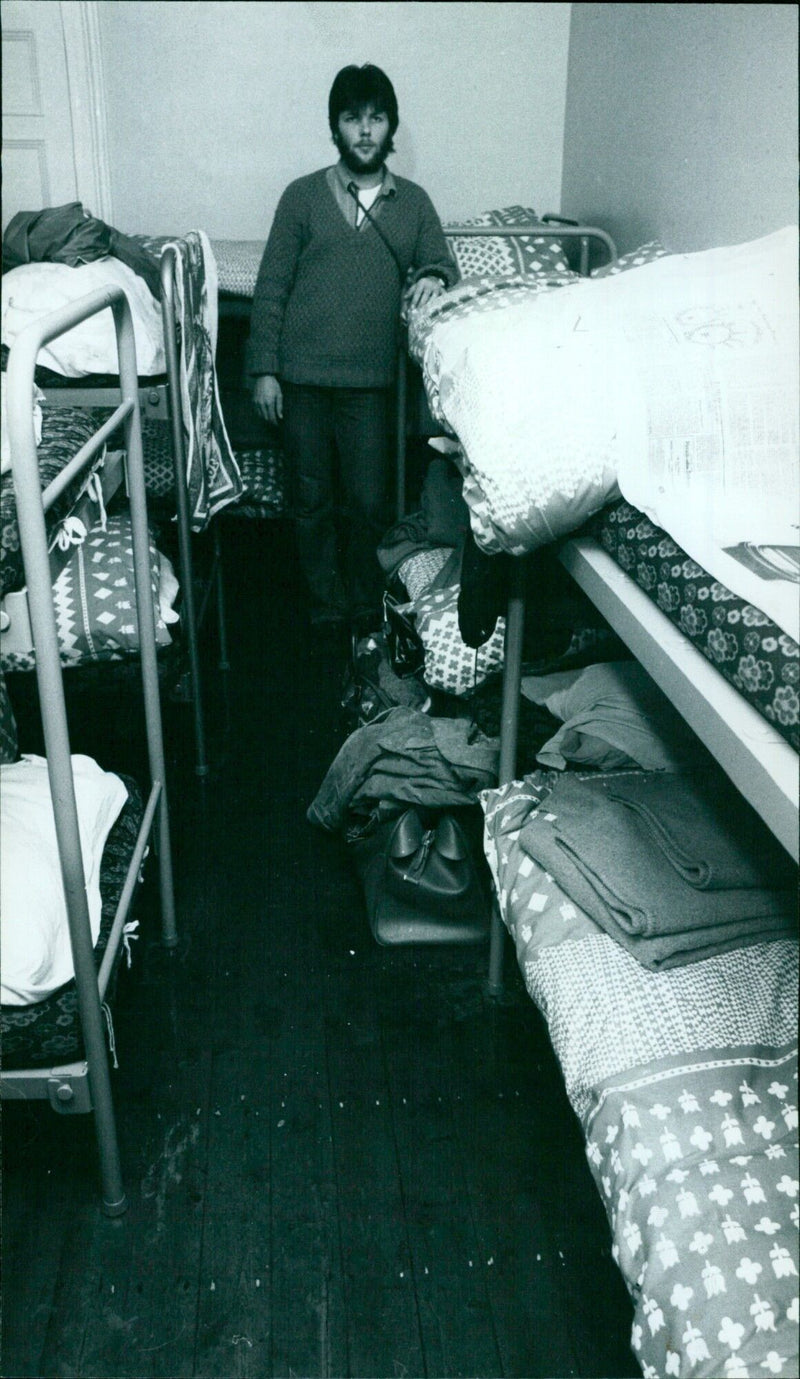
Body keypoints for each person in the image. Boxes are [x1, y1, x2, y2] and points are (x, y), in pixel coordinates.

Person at [247, 63, 458, 637]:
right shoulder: (300, 197)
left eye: (376, 118)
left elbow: (440, 261)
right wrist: (265, 369)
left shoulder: (412, 202)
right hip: (302, 378)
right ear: (335, 128)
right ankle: (324, 606)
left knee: (369, 501)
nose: (365, 130)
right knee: (310, 500)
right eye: (352, 118)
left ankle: (367, 607)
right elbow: (272, 287)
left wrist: (434, 276)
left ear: (391, 129)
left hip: (370, 382)